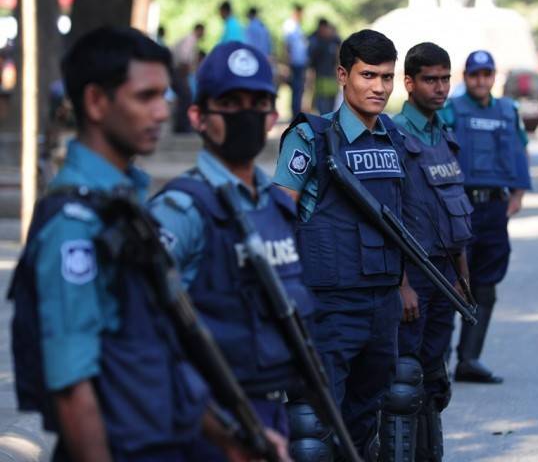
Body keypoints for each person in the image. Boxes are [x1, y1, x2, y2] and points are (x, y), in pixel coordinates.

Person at [7, 26, 281, 462]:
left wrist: (229, 437)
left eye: (164, 96)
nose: (160, 112)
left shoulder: (123, 203)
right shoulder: (74, 226)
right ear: (96, 101)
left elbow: (160, 352)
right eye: (145, 97)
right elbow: (73, 388)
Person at [149, 41, 314, 461]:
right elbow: (143, 335)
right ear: (198, 117)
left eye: (258, 102)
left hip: (273, 411)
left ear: (273, 117)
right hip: (205, 421)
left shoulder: (275, 206)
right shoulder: (181, 210)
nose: (246, 114)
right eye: (231, 103)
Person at [274, 29, 404, 459]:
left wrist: (404, 286)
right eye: (369, 75)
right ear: (343, 75)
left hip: (382, 302)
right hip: (328, 304)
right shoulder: (310, 138)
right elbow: (278, 218)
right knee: (316, 423)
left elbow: (399, 222)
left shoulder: (395, 139)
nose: (379, 88)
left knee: (369, 416)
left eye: (387, 77)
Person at [381, 42, 474, 462]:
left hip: (445, 277)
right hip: (413, 276)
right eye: (430, 80)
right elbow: (389, 219)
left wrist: (462, 276)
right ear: (409, 82)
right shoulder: (394, 138)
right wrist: (401, 285)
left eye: (444, 79)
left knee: (435, 376)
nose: (439, 88)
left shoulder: (445, 138)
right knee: (405, 378)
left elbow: (455, 215)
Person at [439, 49, 532, 384]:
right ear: (466, 78)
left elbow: (521, 149)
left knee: (486, 285)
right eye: (474, 74)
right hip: (460, 205)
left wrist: (518, 193)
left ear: (494, 77)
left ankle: (469, 359)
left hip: (494, 207)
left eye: (487, 74)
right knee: (452, 284)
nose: (481, 80)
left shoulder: (508, 110)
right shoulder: (452, 110)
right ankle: (437, 360)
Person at [172, 23, 205, 133]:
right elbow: (184, 59)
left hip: (179, 71)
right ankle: (182, 127)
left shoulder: (191, 40)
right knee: (186, 97)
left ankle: (181, 126)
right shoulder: (190, 40)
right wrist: (185, 77)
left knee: (184, 98)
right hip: (179, 72)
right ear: (199, 30)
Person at [308, 18, 341, 115]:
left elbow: (339, 57)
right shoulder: (316, 42)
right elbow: (312, 63)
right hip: (320, 78)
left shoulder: (335, 40)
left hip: (332, 78)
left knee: (331, 104)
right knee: (322, 105)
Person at [283, 4, 308, 118]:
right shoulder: (290, 26)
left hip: (301, 62)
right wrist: (288, 63)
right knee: (296, 88)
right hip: (294, 62)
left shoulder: (298, 26)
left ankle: (296, 111)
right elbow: (287, 45)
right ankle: (294, 113)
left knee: (299, 88)